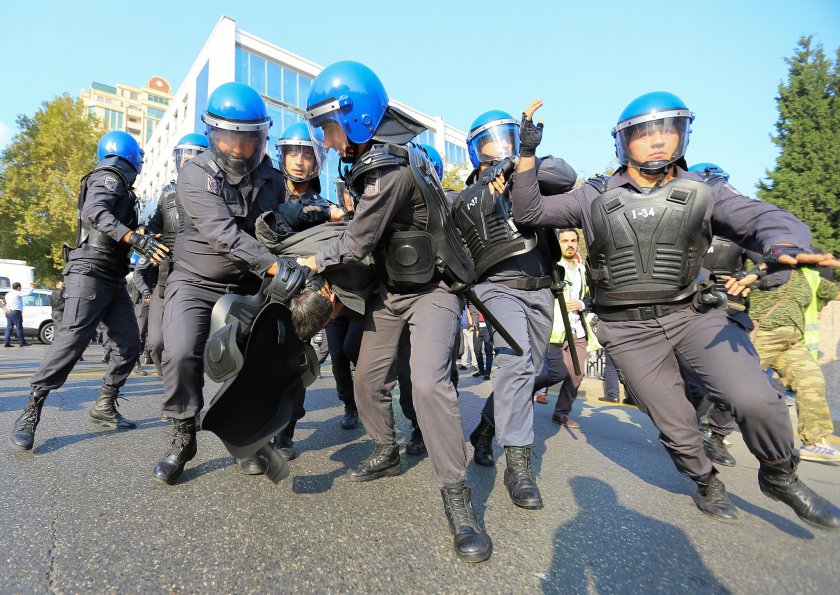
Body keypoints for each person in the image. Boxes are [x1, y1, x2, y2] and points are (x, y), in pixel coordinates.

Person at [504, 93, 840, 529]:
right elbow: (527, 212)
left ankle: (779, 473)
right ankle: (705, 481)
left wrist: (784, 243)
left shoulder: (706, 191)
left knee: (756, 398)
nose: (658, 141)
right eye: (645, 133)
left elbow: (759, 216)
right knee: (677, 425)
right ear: (623, 142)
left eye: (668, 130)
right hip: (628, 331)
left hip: (693, 316)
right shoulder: (593, 195)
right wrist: (527, 153)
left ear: (684, 135)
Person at [297, 61, 492, 562]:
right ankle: (385, 447)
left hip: (434, 291)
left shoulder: (389, 168)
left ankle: (457, 498)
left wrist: (309, 260)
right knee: (366, 377)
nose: (326, 137)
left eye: (328, 126)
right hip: (392, 290)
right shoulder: (372, 159)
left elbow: (357, 240)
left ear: (357, 117)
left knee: (428, 383)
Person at [153, 82, 287, 484]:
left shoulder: (272, 179)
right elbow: (223, 234)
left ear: (262, 137)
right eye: (229, 140)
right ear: (213, 136)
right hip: (195, 281)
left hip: (247, 285)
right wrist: (276, 268)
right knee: (176, 351)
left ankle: (245, 439)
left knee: (251, 363)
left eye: (248, 141)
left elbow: (275, 228)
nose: (239, 150)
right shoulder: (194, 175)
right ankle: (182, 435)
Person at [11, 130, 169, 451]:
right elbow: (94, 213)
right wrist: (133, 237)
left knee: (128, 345)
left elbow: (113, 223)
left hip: (112, 275)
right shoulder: (109, 177)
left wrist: (139, 233)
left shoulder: (120, 184)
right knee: (71, 340)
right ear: (130, 156)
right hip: (90, 271)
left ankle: (105, 405)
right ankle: (31, 411)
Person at [456, 110, 576, 505]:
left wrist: (522, 161)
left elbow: (566, 175)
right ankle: (520, 467)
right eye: (488, 142)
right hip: (497, 289)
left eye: (504, 136)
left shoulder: (529, 170)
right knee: (518, 361)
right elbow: (458, 218)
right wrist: (493, 179)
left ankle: (485, 430)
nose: (498, 146)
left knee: (527, 371)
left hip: (541, 289)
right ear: (475, 150)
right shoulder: (470, 193)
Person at [269, 121, 345, 460]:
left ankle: (285, 433)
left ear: (317, 161)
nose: (299, 160)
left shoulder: (328, 208)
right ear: (282, 155)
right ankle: (254, 427)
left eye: (307, 154)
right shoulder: (266, 194)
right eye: (293, 152)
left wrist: (330, 303)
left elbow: (336, 259)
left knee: (293, 364)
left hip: (302, 295)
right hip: (264, 290)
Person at [749, 265, 840, 462]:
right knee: (732, 386)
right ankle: (698, 423)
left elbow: (836, 292)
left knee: (812, 381)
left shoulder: (809, 276)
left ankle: (813, 442)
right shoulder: (762, 267)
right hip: (761, 337)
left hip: (791, 342)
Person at [145, 133, 209, 376]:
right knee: (156, 343)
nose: (186, 163)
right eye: (183, 157)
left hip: (197, 275)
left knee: (189, 347)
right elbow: (150, 228)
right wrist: (145, 240)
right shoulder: (167, 193)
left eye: (193, 157)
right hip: (166, 276)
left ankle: (184, 401)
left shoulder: (213, 193)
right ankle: (172, 384)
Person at [535, 228, 600, 428]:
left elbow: (592, 297)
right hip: (555, 331)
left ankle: (561, 413)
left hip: (578, 331)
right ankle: (525, 389)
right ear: (558, 243)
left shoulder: (583, 269)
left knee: (576, 374)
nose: (569, 244)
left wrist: (582, 304)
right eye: (565, 241)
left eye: (573, 240)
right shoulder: (550, 267)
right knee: (557, 372)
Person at [4, 282, 35, 347]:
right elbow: (28, 293)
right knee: (19, 328)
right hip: (16, 312)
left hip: (8, 312)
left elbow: (5, 302)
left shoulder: (8, 294)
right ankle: (22, 342)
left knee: (9, 327)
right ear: (18, 288)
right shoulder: (17, 293)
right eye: (20, 288)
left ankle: (6, 343)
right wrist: (32, 287)